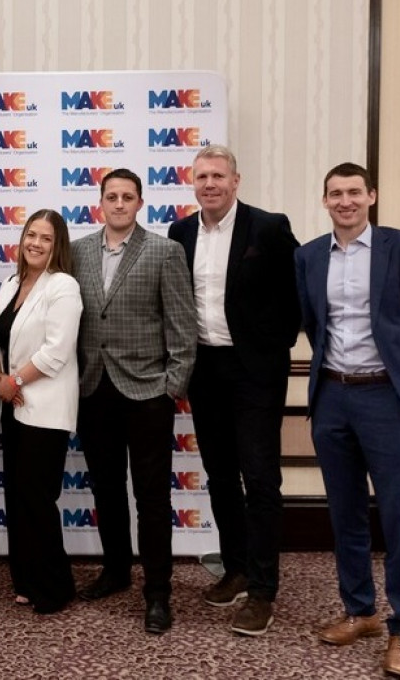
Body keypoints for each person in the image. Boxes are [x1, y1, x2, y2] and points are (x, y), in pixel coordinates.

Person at [167, 145, 301, 636]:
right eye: (202, 176)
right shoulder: (180, 232)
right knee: (220, 476)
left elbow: (295, 296)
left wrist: (272, 346)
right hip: (205, 369)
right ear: (192, 181)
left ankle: (263, 590)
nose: (210, 184)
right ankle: (237, 567)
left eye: (218, 176)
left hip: (255, 371)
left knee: (261, 479)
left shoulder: (268, 227)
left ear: (236, 180)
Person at [296, 162, 400, 678]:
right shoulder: (308, 257)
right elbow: (310, 320)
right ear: (324, 201)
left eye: (353, 192)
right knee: (344, 512)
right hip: (332, 397)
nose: (344, 201)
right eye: (334, 194)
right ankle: (360, 611)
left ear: (371, 195)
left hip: (388, 399)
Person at [71, 168, 197, 634]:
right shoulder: (78, 250)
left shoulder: (165, 251)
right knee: (105, 487)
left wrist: (172, 386)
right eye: (111, 196)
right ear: (99, 202)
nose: (119, 203)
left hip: (148, 393)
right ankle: (116, 570)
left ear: (140, 203)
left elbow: (182, 328)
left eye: (127, 197)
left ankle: (157, 593)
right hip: (93, 390)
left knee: (151, 496)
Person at [0, 209, 82, 615]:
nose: (36, 243)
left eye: (46, 238)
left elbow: (57, 352)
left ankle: (55, 586)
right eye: (31, 234)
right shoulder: (9, 284)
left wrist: (16, 381)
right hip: (12, 405)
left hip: (44, 408)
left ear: (56, 245)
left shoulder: (63, 286)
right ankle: (25, 579)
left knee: (39, 498)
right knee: (17, 495)